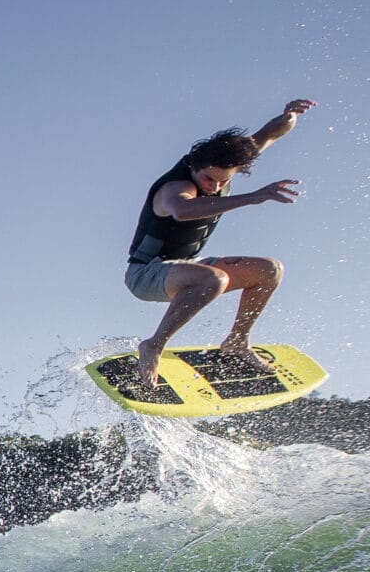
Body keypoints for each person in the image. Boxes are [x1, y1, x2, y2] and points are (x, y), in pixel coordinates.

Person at [126, 99, 315, 386]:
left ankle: (237, 342)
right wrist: (253, 197)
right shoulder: (177, 187)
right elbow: (182, 211)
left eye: (220, 181)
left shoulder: (227, 163)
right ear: (195, 165)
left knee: (270, 270)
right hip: (146, 273)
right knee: (214, 281)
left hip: (187, 266)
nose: (213, 187)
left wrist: (289, 116)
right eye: (209, 179)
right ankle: (154, 345)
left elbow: (269, 135)